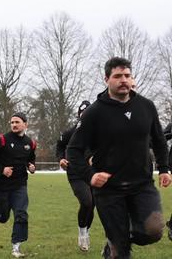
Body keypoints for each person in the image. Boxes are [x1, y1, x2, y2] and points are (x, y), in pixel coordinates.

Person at [67, 57, 171, 259]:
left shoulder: (146, 106)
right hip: (108, 191)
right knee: (119, 252)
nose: (123, 80)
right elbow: (73, 150)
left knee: (154, 231)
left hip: (142, 185)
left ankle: (118, 238)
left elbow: (159, 140)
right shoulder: (93, 113)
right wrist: (90, 176)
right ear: (107, 79)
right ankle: (115, 244)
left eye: (127, 75)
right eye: (117, 76)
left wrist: (165, 168)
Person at [0, 112, 36, 258]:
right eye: (12, 122)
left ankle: (16, 247)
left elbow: (30, 159)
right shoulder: (1, 140)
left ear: (25, 124)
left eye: (17, 122)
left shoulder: (30, 143)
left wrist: (31, 166)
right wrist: (2, 169)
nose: (14, 125)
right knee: (2, 217)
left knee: (21, 214)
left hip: (20, 185)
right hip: (1, 185)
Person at [56, 100, 94, 252]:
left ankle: (87, 232)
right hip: (76, 173)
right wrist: (61, 159)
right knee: (86, 202)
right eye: (82, 113)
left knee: (93, 205)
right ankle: (82, 231)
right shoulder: (71, 132)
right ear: (79, 115)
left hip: (94, 172)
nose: (85, 116)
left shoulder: (100, 131)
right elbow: (59, 146)